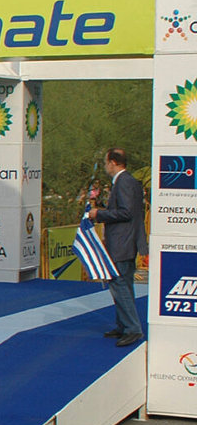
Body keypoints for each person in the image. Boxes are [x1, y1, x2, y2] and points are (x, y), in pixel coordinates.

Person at [90, 147, 147, 347]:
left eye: (106, 162)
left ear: (113, 162)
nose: (106, 166)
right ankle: (123, 324)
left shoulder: (124, 182)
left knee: (119, 283)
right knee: (124, 283)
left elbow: (125, 212)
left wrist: (99, 214)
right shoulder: (129, 182)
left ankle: (132, 328)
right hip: (127, 241)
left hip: (122, 242)